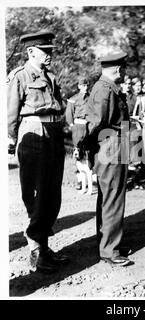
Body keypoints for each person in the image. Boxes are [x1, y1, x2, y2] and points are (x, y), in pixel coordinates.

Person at [7, 31, 69, 273]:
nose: (50, 54)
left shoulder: (50, 76)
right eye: (46, 50)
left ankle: (43, 248)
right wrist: (10, 139)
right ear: (31, 52)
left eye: (51, 50)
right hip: (33, 130)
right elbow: (11, 113)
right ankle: (36, 251)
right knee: (36, 192)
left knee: (52, 193)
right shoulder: (20, 76)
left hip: (53, 131)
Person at [83, 51, 132, 266]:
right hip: (110, 146)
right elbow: (96, 123)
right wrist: (88, 145)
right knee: (112, 198)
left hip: (110, 145)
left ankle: (107, 243)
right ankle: (110, 249)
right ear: (118, 69)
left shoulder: (106, 88)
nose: (124, 72)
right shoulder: (105, 89)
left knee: (107, 196)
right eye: (124, 68)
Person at [65, 76, 92, 190]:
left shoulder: (91, 98)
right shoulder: (74, 99)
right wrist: (72, 126)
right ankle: (80, 180)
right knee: (78, 150)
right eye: (83, 85)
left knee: (88, 150)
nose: (85, 88)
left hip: (89, 126)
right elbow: (69, 114)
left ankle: (90, 175)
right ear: (79, 86)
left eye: (87, 85)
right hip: (78, 126)